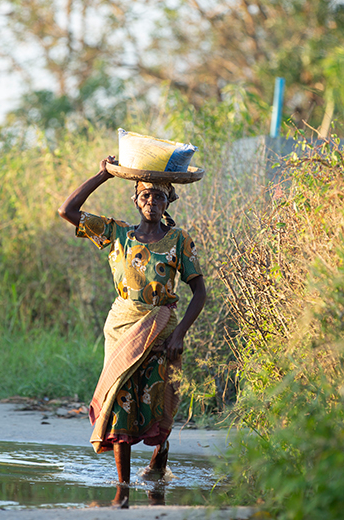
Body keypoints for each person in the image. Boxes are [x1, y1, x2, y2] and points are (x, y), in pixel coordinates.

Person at [58, 155, 207, 508]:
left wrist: (179, 334)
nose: (152, 203)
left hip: (161, 332)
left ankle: (160, 454)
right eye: (145, 197)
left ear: (168, 200)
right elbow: (68, 211)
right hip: (123, 327)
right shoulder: (118, 234)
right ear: (136, 200)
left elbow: (199, 292)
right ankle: (122, 491)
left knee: (156, 402)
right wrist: (102, 174)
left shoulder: (178, 240)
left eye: (159, 197)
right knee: (120, 401)